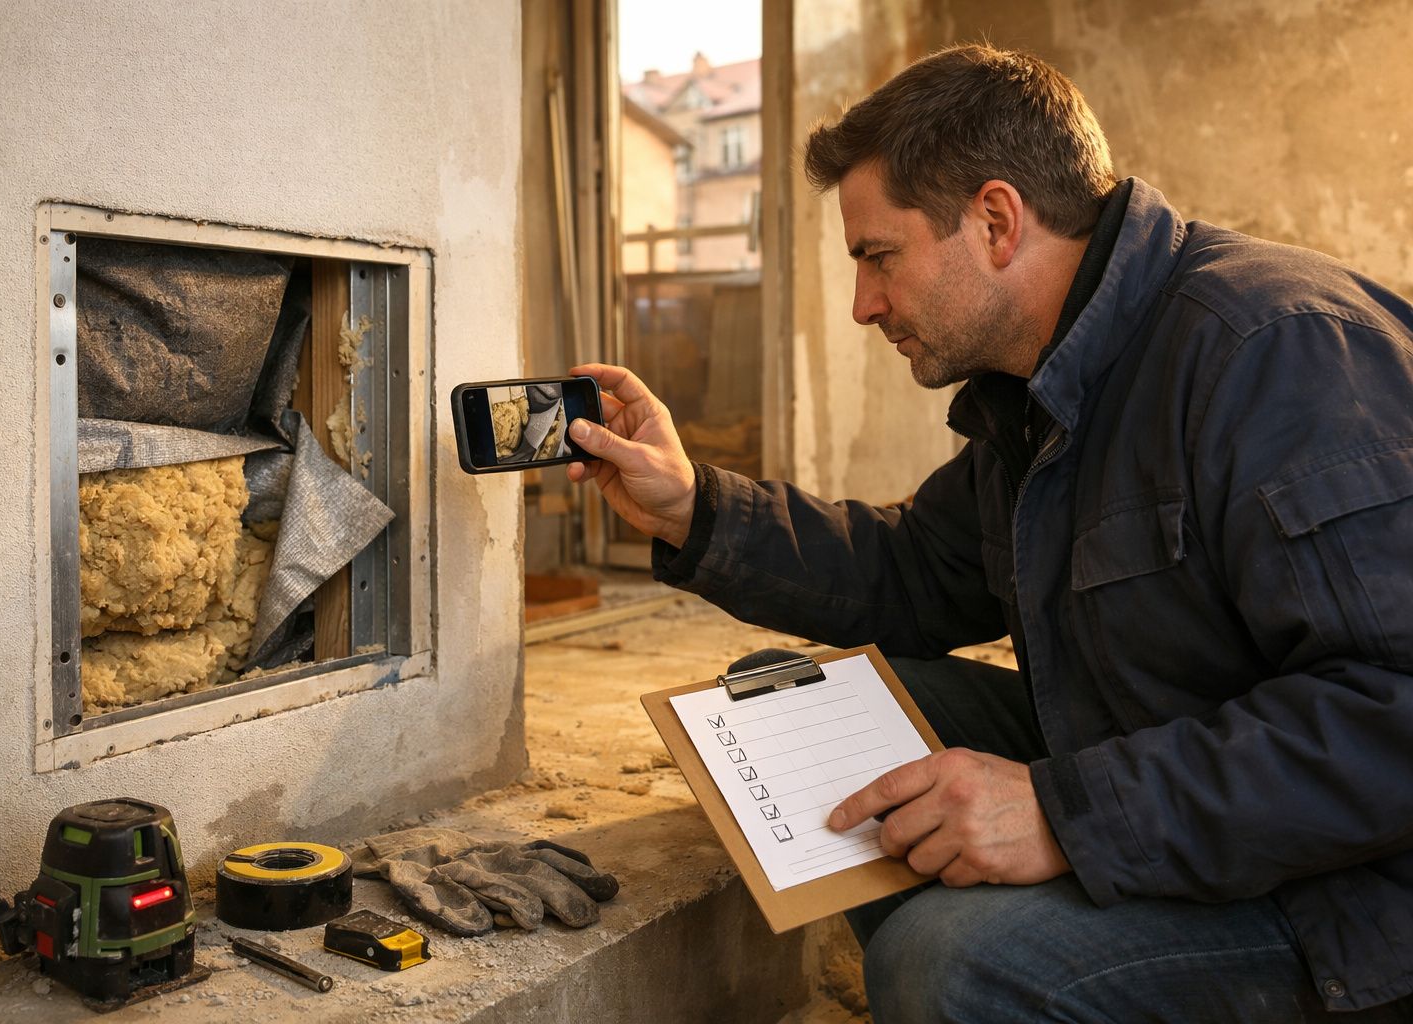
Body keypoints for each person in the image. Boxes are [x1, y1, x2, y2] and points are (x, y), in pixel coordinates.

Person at [564, 43, 1413, 1023]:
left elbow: (1390, 719)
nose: (862, 304)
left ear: (998, 220)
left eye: (877, 256)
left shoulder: (1275, 354)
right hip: (1160, 766)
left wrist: (1066, 813)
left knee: (948, 962)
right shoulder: (1044, 386)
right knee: (784, 707)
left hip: (1348, 905)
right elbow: (916, 570)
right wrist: (693, 507)